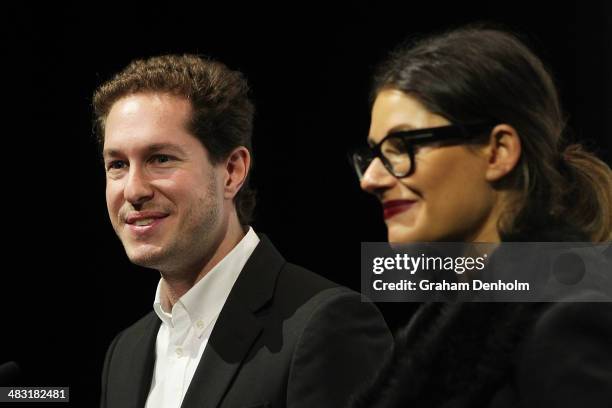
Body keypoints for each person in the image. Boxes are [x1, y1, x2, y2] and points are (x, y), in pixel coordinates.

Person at [94, 54, 392, 408]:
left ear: (232, 171)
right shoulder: (124, 353)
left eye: (161, 159)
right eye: (117, 165)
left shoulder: (328, 325)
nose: (133, 189)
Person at [349, 25, 612, 407]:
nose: (371, 179)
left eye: (401, 147)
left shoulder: (565, 319)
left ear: (498, 152)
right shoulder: (437, 328)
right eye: (373, 155)